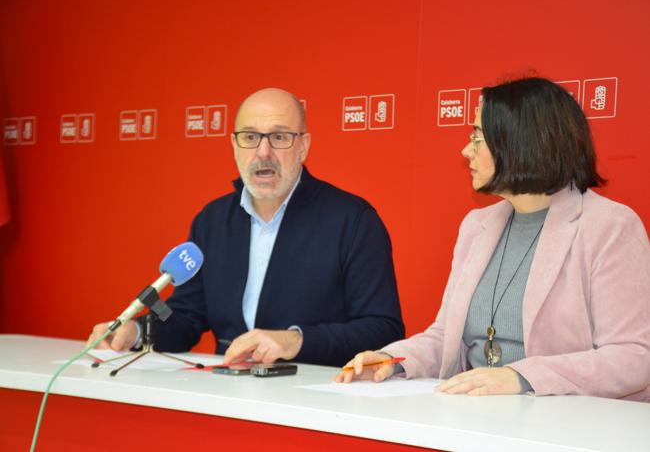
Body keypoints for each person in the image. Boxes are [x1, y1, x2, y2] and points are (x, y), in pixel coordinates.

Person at [336, 77, 650, 401]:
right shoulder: (477, 225)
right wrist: (392, 359)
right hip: (479, 422)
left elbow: (633, 357)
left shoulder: (610, 226)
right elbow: (446, 337)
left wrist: (521, 377)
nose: (465, 150)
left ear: (519, 142)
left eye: (476, 137)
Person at [87, 88, 404, 367]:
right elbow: (184, 316)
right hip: (229, 398)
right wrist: (138, 330)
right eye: (250, 137)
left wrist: (297, 341)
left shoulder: (352, 220)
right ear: (234, 144)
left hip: (316, 402)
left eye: (279, 137)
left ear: (303, 146)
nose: (263, 153)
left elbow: (382, 329)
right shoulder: (212, 221)